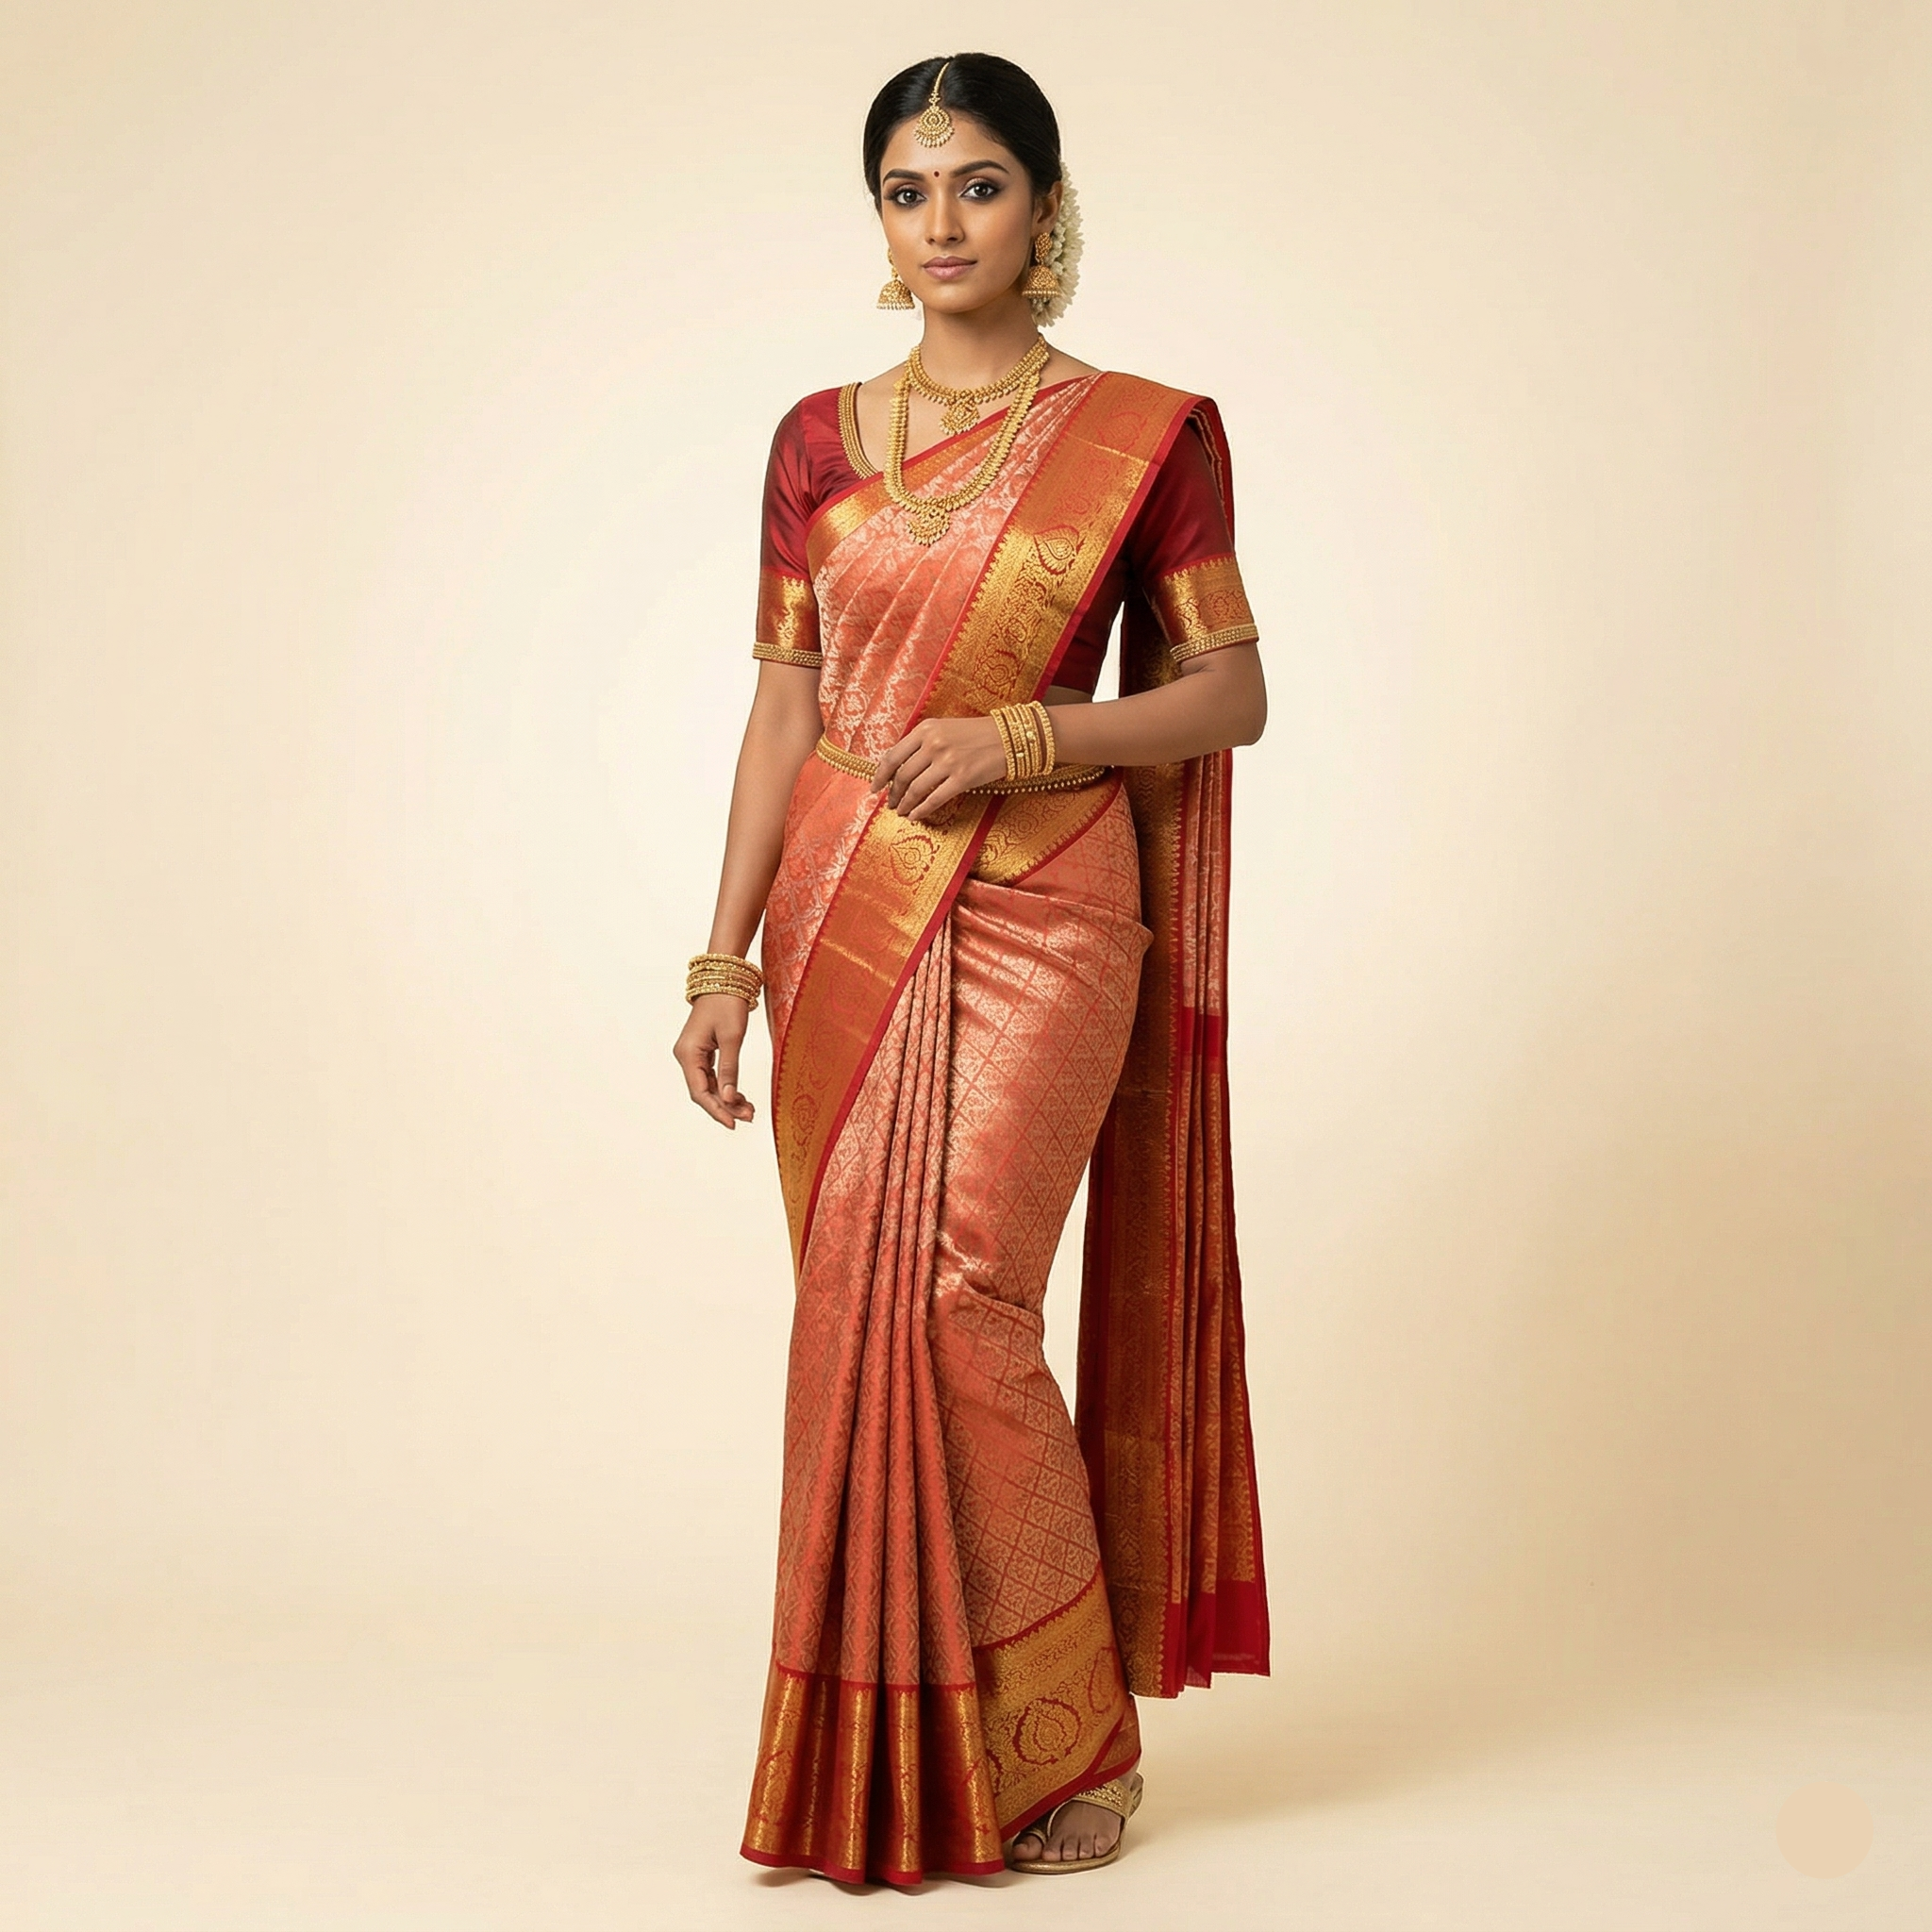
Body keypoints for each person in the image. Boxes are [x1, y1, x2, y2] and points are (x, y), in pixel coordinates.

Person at [673, 51, 1271, 1885]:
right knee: (856, 1318)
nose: (943, 222)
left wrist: (1029, 736)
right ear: (879, 217)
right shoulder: (812, 441)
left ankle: (1066, 1736)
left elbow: (1230, 694)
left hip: (1047, 899)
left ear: (1045, 207)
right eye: (908, 190)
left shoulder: (1143, 436)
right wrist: (719, 961)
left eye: (981, 185)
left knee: (957, 1302)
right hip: (839, 903)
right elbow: (786, 709)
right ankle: (901, 1733)